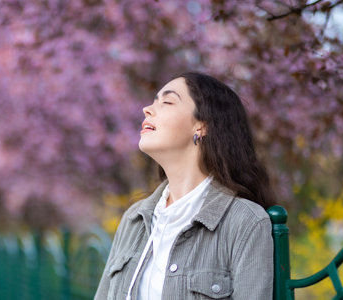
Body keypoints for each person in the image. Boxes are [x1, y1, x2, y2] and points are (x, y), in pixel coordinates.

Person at [94, 72, 275, 300]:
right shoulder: (134, 219)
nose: (147, 109)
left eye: (167, 102)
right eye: (153, 101)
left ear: (201, 126)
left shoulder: (245, 222)